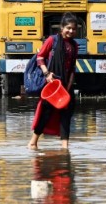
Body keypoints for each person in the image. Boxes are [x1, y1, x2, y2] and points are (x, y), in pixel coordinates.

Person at [28, 13, 79, 150]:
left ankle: (65, 148)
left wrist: (69, 85)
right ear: (62, 28)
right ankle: (33, 142)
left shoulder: (74, 45)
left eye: (74, 29)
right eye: (68, 28)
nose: (71, 31)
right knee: (46, 113)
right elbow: (40, 58)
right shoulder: (52, 40)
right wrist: (47, 74)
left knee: (66, 115)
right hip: (52, 84)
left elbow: (73, 67)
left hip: (66, 86)